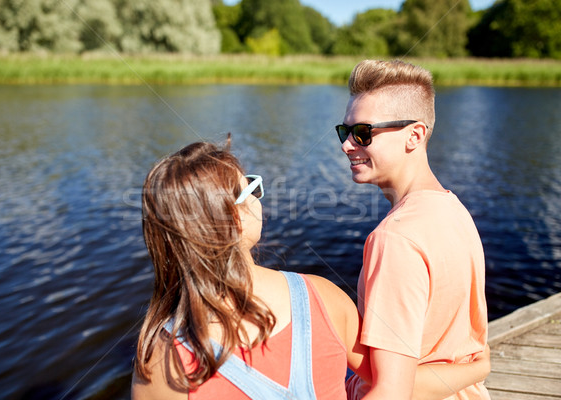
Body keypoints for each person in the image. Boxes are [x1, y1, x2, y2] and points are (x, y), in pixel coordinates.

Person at [131, 138, 489, 400]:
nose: (258, 196)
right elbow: (393, 384)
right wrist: (473, 369)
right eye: (249, 188)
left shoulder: (163, 355)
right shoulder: (322, 298)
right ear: (236, 218)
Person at [337, 60, 490, 399]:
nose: (347, 145)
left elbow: (391, 393)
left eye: (362, 132)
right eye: (344, 131)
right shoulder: (454, 210)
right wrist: (480, 368)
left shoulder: (395, 239)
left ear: (415, 136)